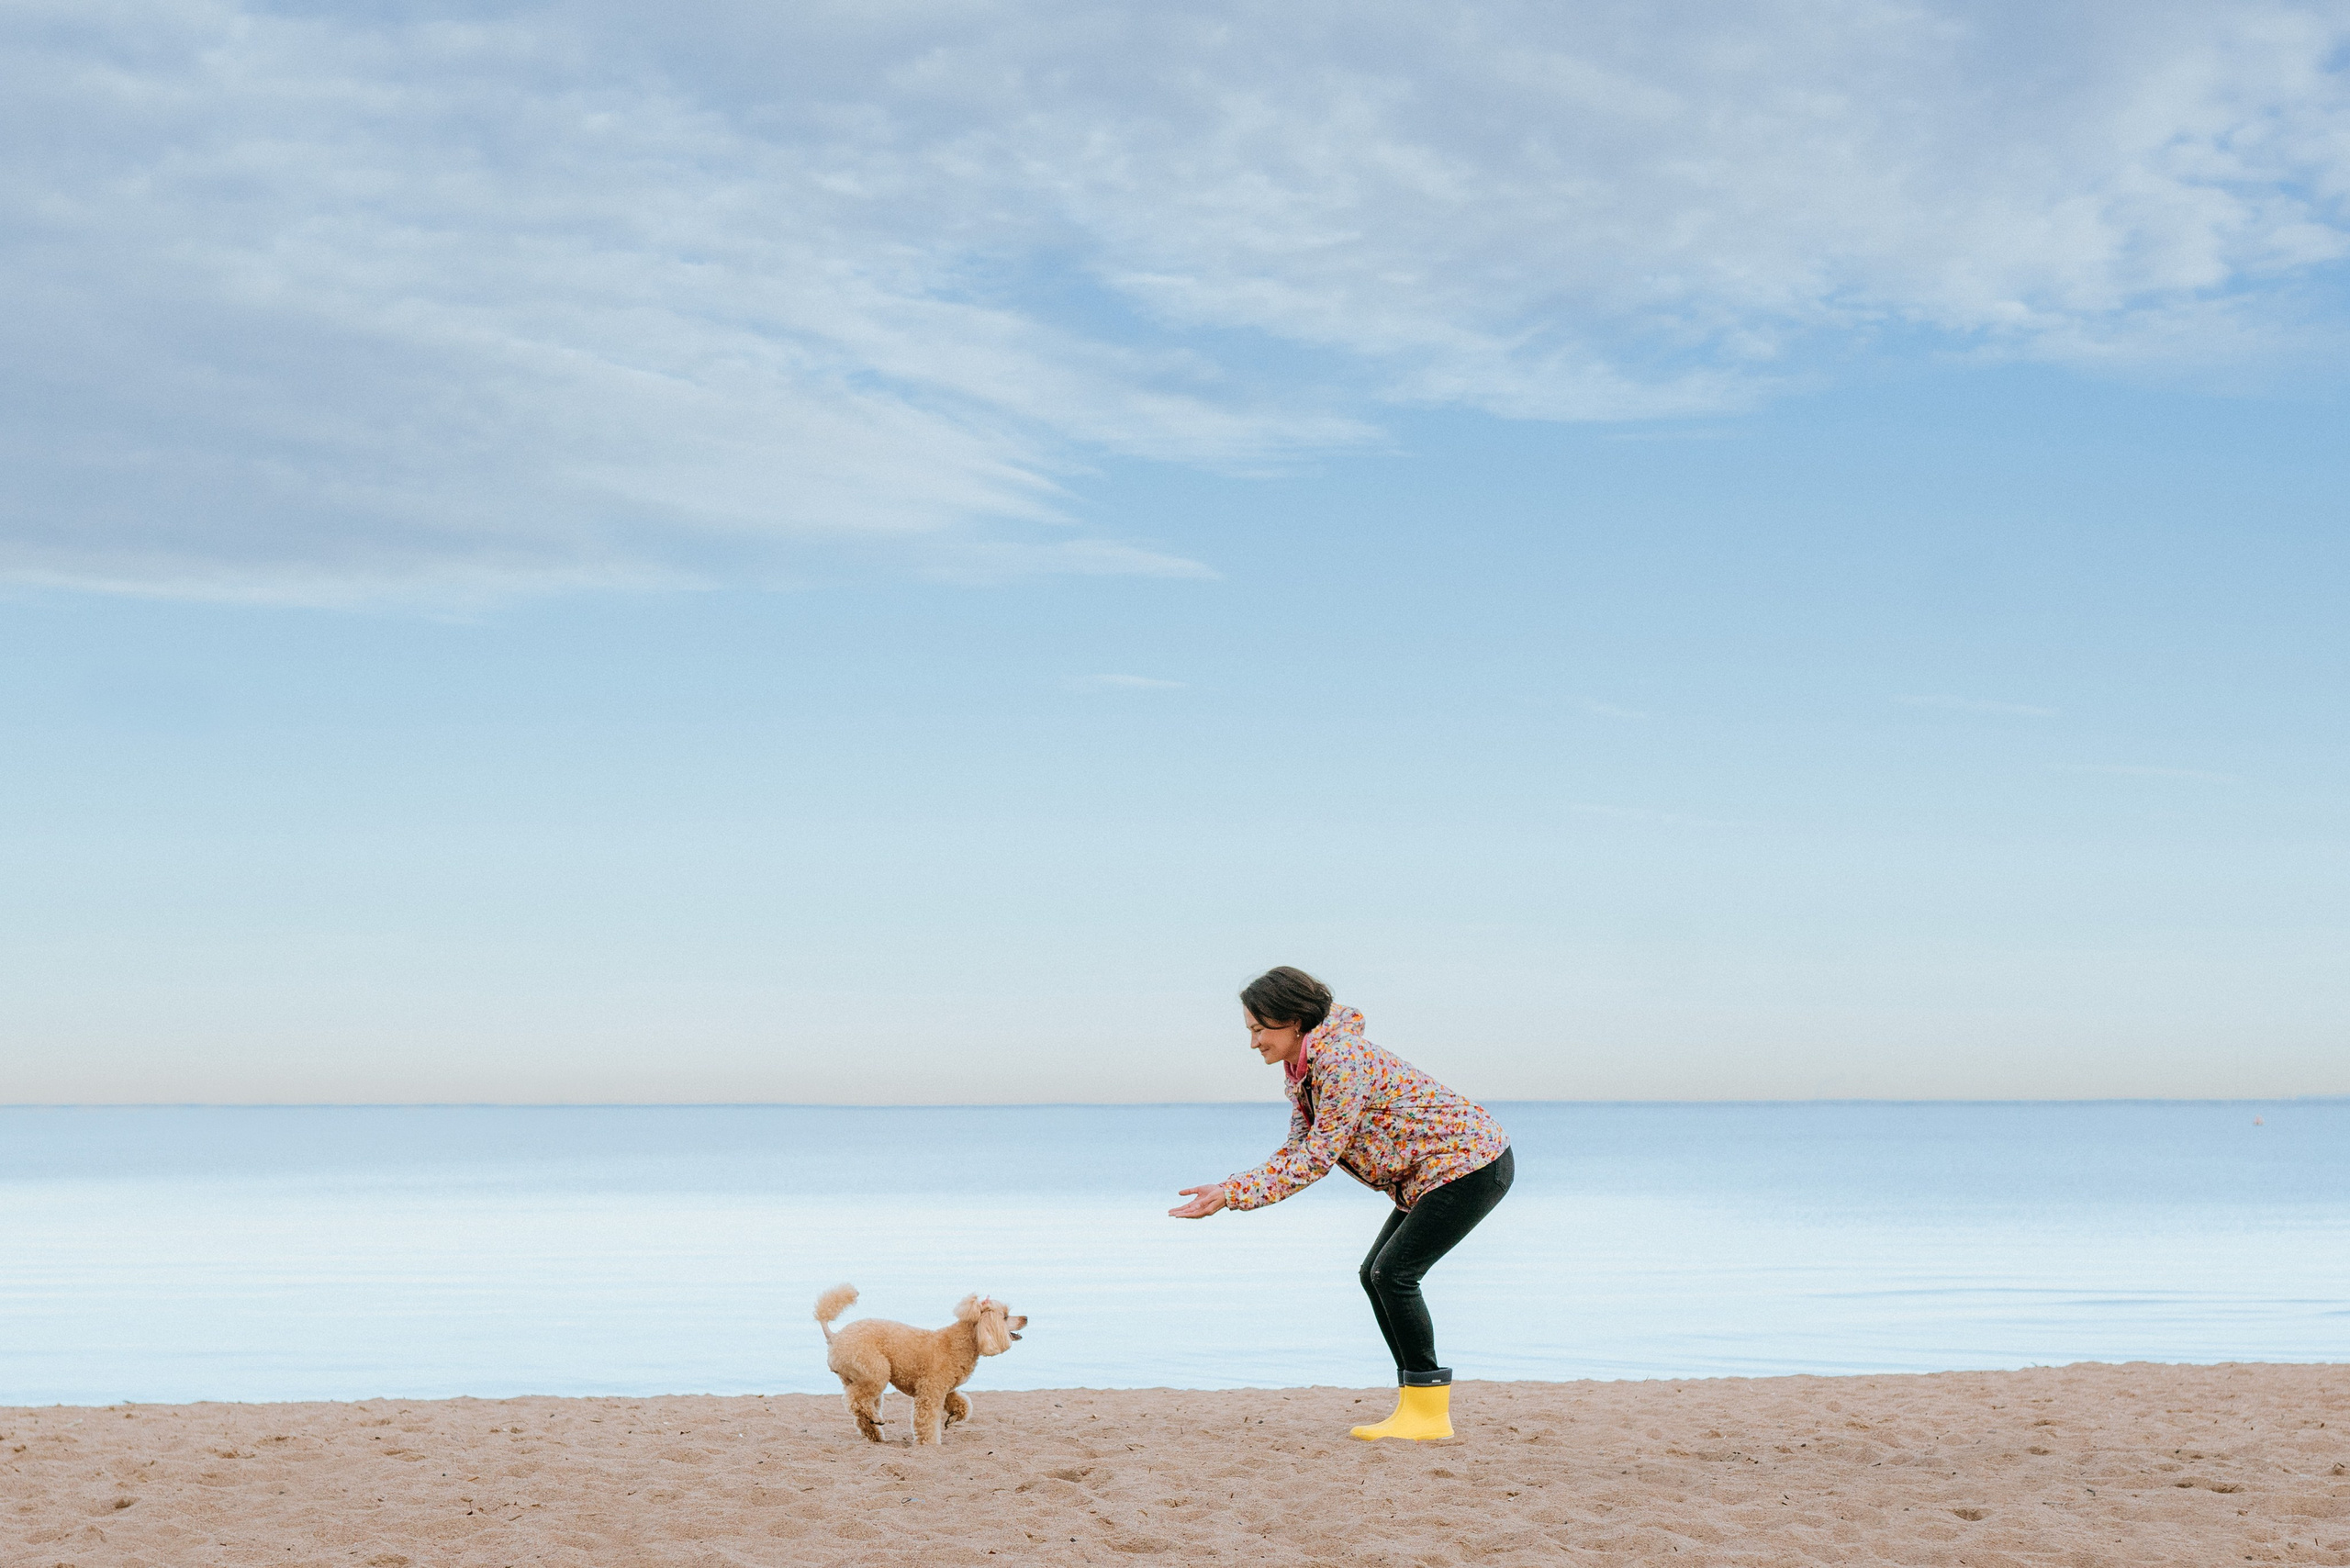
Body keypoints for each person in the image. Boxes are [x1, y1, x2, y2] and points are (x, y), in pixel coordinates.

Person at [1169, 966, 1513, 1441]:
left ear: (1293, 1021)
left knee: (1393, 1274)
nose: (1253, 1043)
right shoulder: (1302, 1070)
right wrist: (1230, 1188)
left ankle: (1429, 1415)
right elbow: (1297, 1148)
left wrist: (1234, 1195)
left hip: (1470, 1166)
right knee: (1376, 1274)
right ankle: (1417, 1407)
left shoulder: (1341, 1061)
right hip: (1435, 1174)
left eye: (1258, 1030)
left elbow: (1316, 1158)